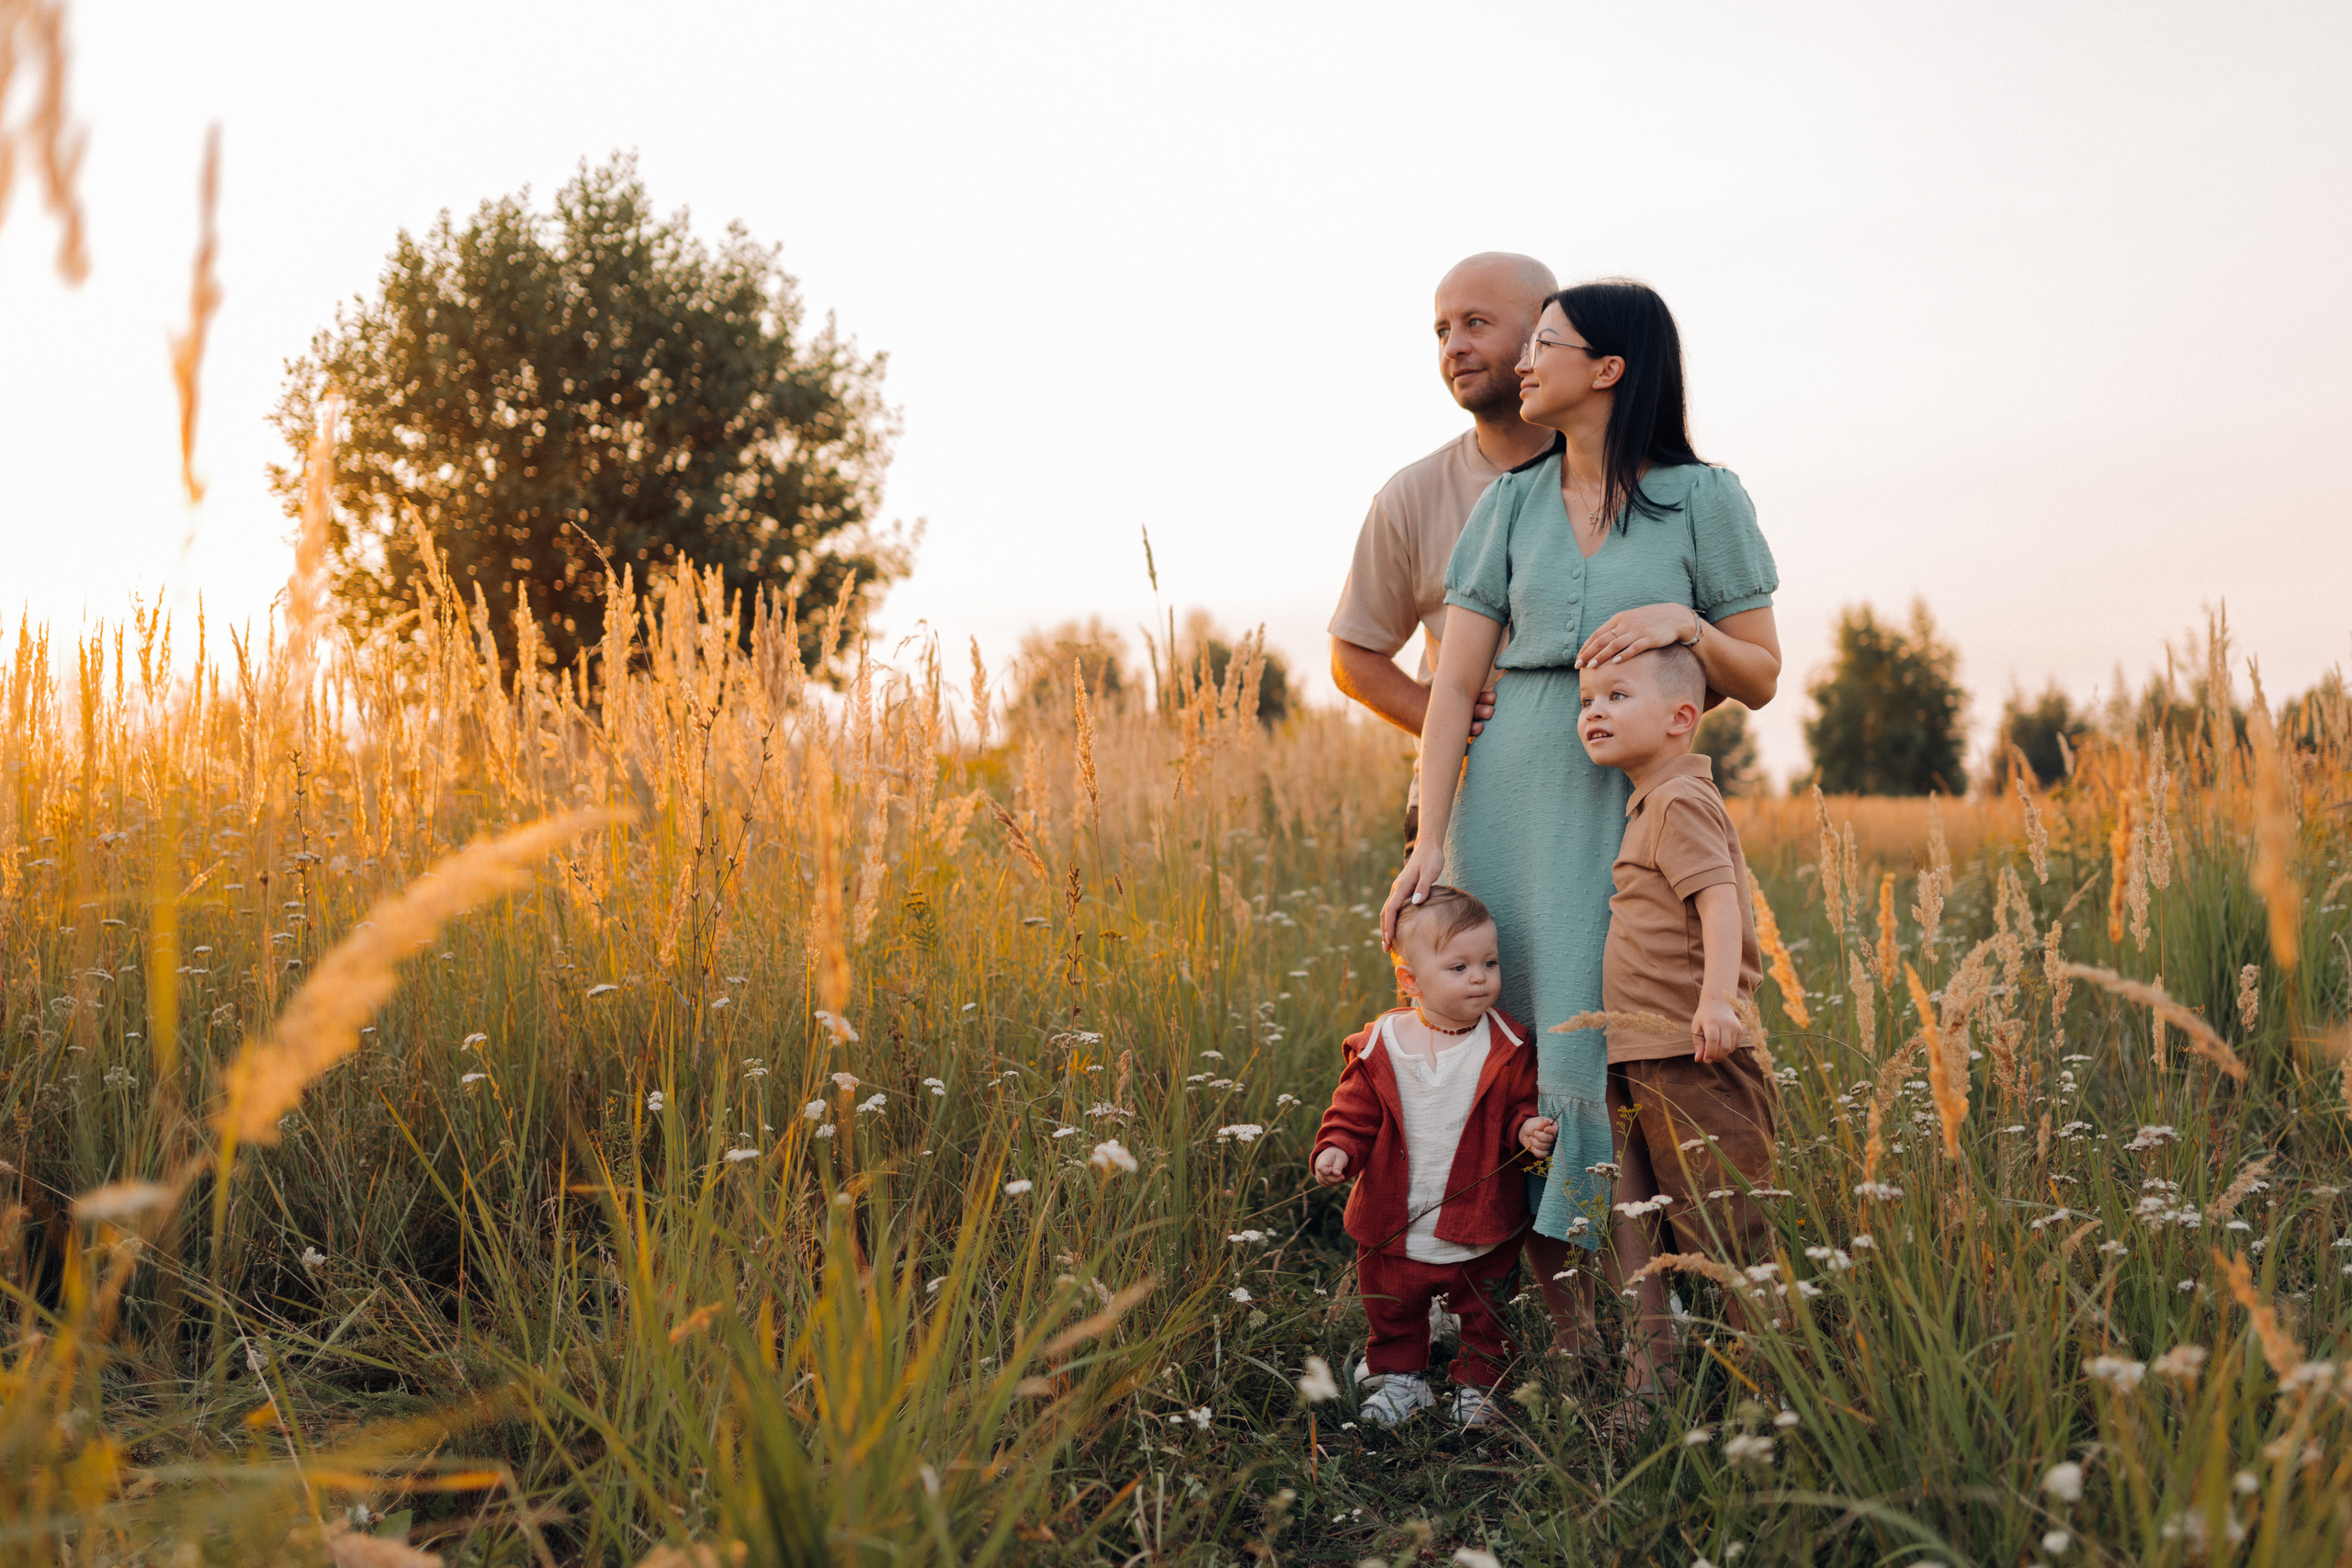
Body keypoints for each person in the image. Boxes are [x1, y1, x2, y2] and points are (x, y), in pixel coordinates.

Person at [1378, 278, 1782, 1379]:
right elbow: (1454, 688)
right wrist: (1430, 843)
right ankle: (1569, 1343)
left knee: (1626, 1059)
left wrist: (1685, 622)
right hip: (1510, 809)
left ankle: (1664, 1350)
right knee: (1534, 1072)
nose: (1522, 363)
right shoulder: (1505, 505)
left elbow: (1761, 674)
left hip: (1638, 805)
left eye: (1545, 345)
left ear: (1608, 370)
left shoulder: (1703, 498)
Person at [1577, 640, 1778, 1388]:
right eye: (1586, 700)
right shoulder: (1649, 800)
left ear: (1681, 716)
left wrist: (1717, 999)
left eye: (1617, 695)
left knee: (1728, 1221)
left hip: (1691, 1050)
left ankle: (1777, 1377)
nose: (1594, 710)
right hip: (1650, 1048)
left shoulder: (1679, 799)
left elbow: (1718, 900)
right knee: (1688, 1217)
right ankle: (1742, 1369)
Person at [1329, 252, 1557, 851]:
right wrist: (1442, 715)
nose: (1453, 345)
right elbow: (1352, 653)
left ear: (1546, 331)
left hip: (1602, 803)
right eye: (1441, 330)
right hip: (1453, 810)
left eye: (1476, 323)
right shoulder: (1411, 495)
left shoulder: (1623, 479)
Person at [1310, 886, 1550, 1429]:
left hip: (1479, 1213)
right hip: (1396, 1216)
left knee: (1486, 1308)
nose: (1480, 977)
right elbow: (1354, 1109)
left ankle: (1480, 1386)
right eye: (1459, 966)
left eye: (1490, 962)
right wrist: (1337, 1148)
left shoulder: (1508, 1044)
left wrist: (1528, 1129)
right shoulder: (1384, 1044)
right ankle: (1402, 1380)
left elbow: (1518, 1107)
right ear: (1411, 981)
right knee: (1392, 1306)